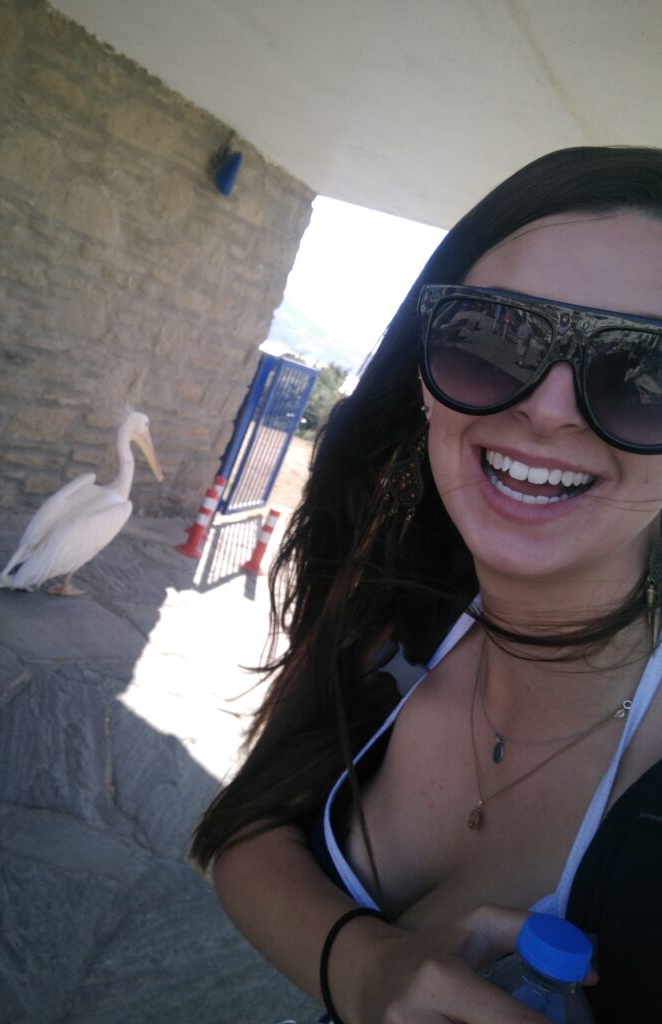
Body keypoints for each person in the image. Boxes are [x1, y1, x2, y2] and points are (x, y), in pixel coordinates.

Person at [190, 147, 662, 1024]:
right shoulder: (403, 596)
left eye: (648, 376)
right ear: (423, 365)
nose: (549, 409)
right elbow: (252, 827)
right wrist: (364, 967)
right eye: (492, 335)